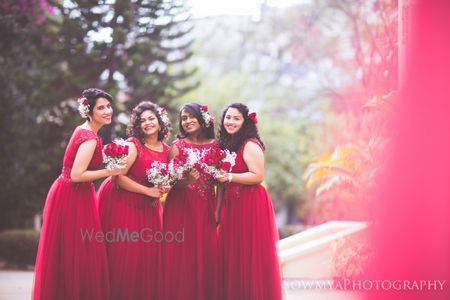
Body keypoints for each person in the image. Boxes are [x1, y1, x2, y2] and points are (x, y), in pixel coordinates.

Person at [32, 88, 123, 300]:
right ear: (88, 111)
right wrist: (111, 171)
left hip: (72, 193)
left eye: (108, 106)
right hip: (72, 195)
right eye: (101, 107)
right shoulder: (89, 137)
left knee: (76, 251)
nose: (107, 111)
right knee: (79, 251)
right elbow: (77, 175)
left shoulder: (87, 132)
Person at [97, 101, 170, 300]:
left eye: (151, 118)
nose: (147, 123)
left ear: (160, 120)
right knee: (124, 256)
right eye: (142, 120)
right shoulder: (133, 145)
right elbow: (118, 177)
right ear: (137, 125)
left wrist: (164, 186)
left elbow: (167, 178)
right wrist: (148, 190)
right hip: (121, 200)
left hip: (148, 206)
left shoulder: (167, 150)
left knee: (145, 259)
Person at [216, 103, 282, 300]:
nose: (231, 122)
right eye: (228, 117)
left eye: (236, 118)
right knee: (233, 256)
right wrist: (218, 210)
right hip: (232, 204)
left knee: (249, 256)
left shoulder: (250, 143)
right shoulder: (227, 145)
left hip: (250, 203)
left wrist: (228, 177)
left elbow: (257, 175)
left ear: (245, 122)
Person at [161, 103, 218, 300]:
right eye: (184, 118)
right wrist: (188, 181)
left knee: (207, 255)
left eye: (191, 116)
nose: (187, 121)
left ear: (203, 119)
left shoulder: (216, 145)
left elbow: (221, 181)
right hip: (180, 207)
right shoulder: (177, 146)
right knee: (181, 257)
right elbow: (170, 183)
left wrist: (218, 210)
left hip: (206, 206)